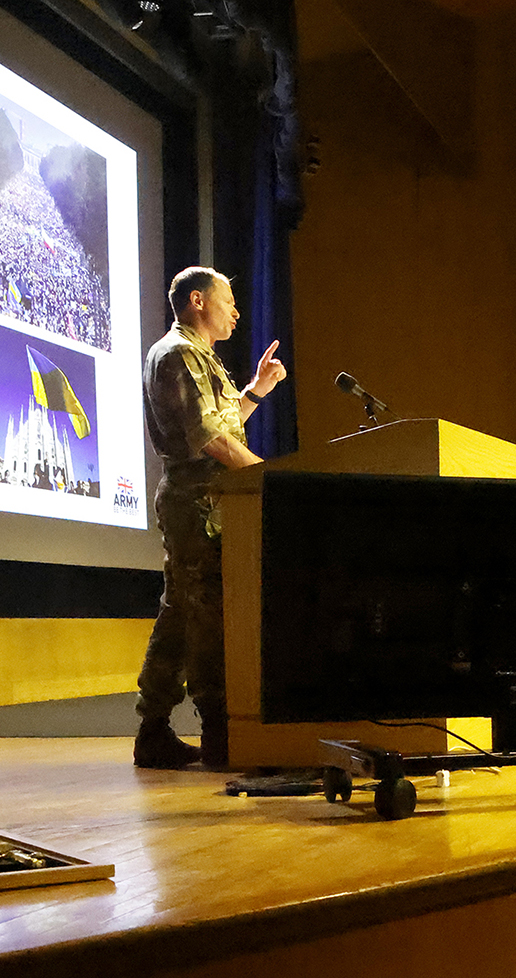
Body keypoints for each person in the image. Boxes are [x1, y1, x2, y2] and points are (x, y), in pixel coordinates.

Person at [134, 266, 287, 769]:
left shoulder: (199, 357)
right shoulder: (178, 353)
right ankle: (216, 730)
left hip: (209, 502)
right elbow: (212, 441)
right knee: (204, 617)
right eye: (229, 301)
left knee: (183, 612)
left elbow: (224, 425)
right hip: (195, 503)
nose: (237, 312)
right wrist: (273, 481)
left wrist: (257, 391)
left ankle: (155, 731)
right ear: (198, 301)